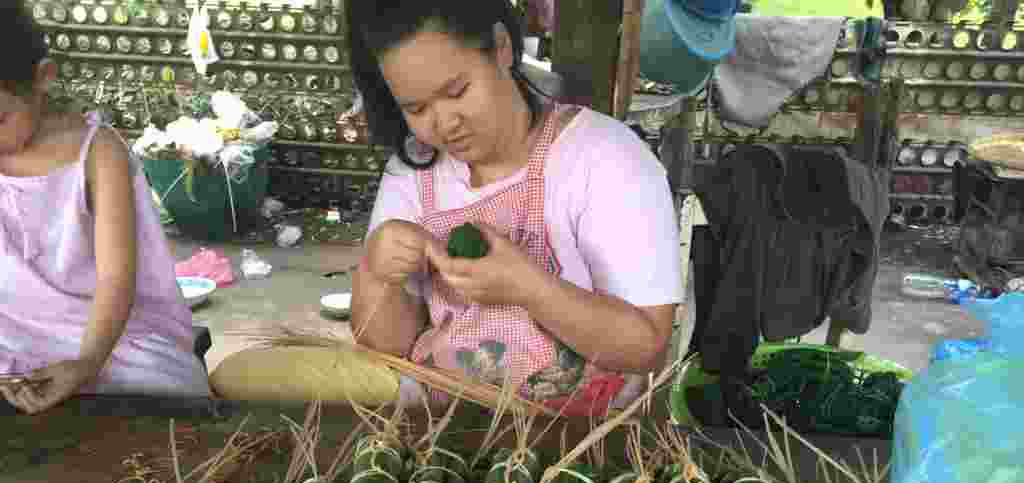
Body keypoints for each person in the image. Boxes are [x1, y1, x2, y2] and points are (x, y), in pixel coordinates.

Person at [211, 0, 682, 413]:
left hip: (576, 441)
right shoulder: (413, 172)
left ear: (501, 48)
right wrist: (379, 274)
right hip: (440, 434)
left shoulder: (605, 159)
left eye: (457, 91)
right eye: (416, 108)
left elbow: (645, 348)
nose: (444, 123)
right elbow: (386, 345)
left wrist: (530, 288)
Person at [0, 6, 210, 414]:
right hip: (14, 332)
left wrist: (87, 362)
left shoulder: (97, 153)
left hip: (112, 334)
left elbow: (116, 281)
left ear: (44, 77)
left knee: (162, 392)